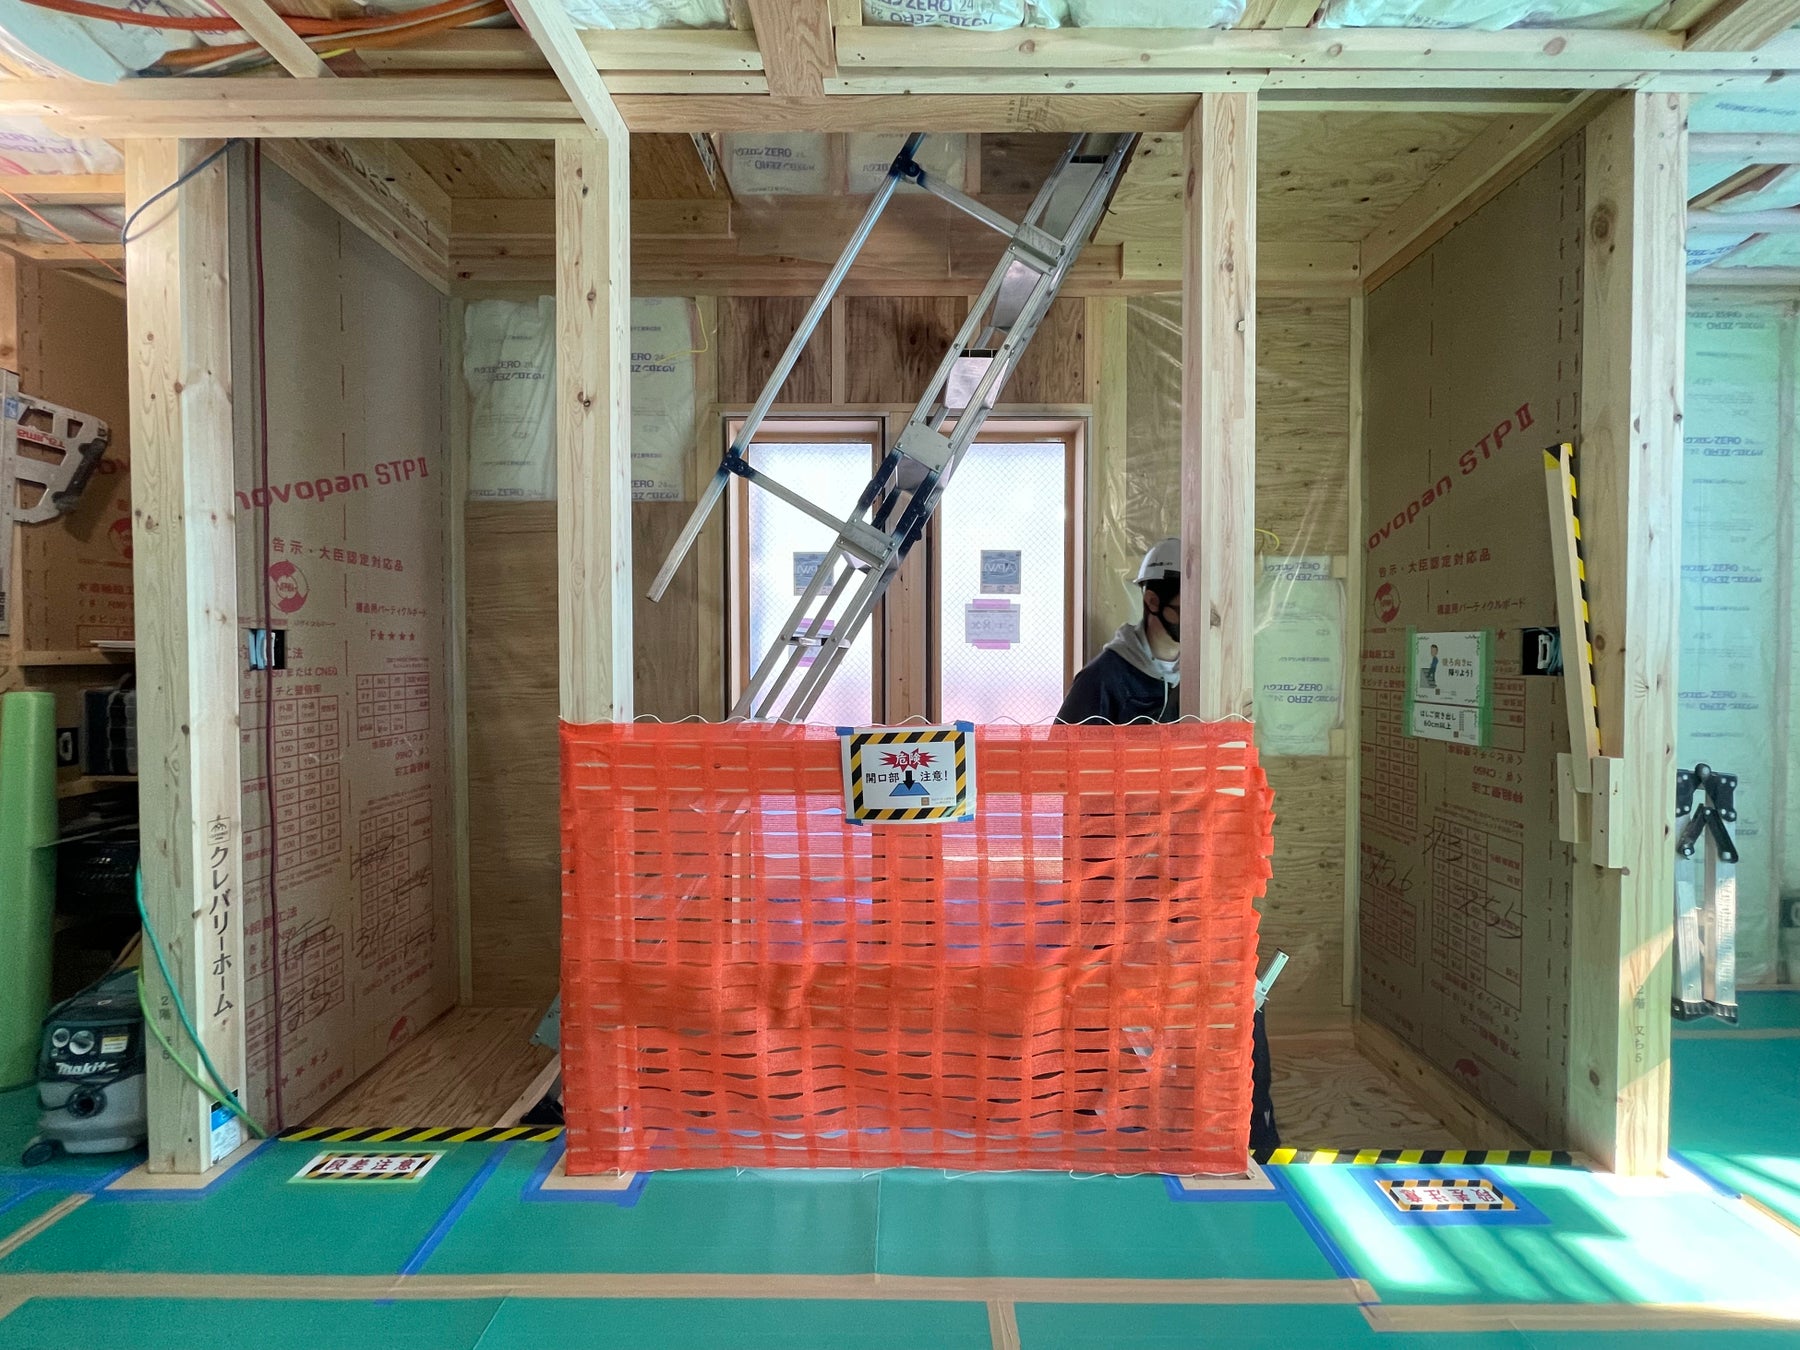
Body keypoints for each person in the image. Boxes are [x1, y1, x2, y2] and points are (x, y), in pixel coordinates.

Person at [1056, 538, 1280, 1151]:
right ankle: (1095, 1122)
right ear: (1153, 601)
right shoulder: (1103, 681)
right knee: (1106, 993)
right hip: (1114, 880)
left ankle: (1246, 1131)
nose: (1198, 617)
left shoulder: (1205, 682)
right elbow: (1060, 770)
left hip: (1187, 876)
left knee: (1227, 987)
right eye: (1187, 601)